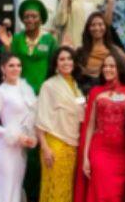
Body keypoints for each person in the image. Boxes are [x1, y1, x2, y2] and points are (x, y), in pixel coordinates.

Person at [77, 54, 125, 202]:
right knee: (101, 193)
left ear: (119, 68)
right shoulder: (96, 92)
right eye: (105, 66)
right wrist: (85, 157)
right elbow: (90, 126)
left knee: (116, 195)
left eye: (111, 66)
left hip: (122, 153)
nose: (107, 69)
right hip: (100, 151)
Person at [36, 46, 87, 202]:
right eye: (62, 59)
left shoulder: (76, 86)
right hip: (54, 146)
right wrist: (45, 148)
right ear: (56, 64)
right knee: (54, 189)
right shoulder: (49, 86)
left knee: (65, 190)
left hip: (72, 146)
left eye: (69, 58)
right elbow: (40, 120)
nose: (66, 62)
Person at [0, 54, 38, 202]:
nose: (16, 69)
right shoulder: (0, 92)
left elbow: (31, 117)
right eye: (11, 65)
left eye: (18, 65)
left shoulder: (26, 89)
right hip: (5, 150)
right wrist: (14, 135)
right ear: (3, 69)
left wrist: (31, 137)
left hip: (20, 150)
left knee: (15, 192)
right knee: (4, 193)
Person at [0, 0, 58, 94]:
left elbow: (54, 65)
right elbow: (6, 63)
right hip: (20, 91)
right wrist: (7, 46)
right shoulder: (16, 38)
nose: (30, 20)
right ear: (23, 20)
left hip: (43, 91)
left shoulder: (49, 40)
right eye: (26, 17)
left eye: (34, 16)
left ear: (41, 19)